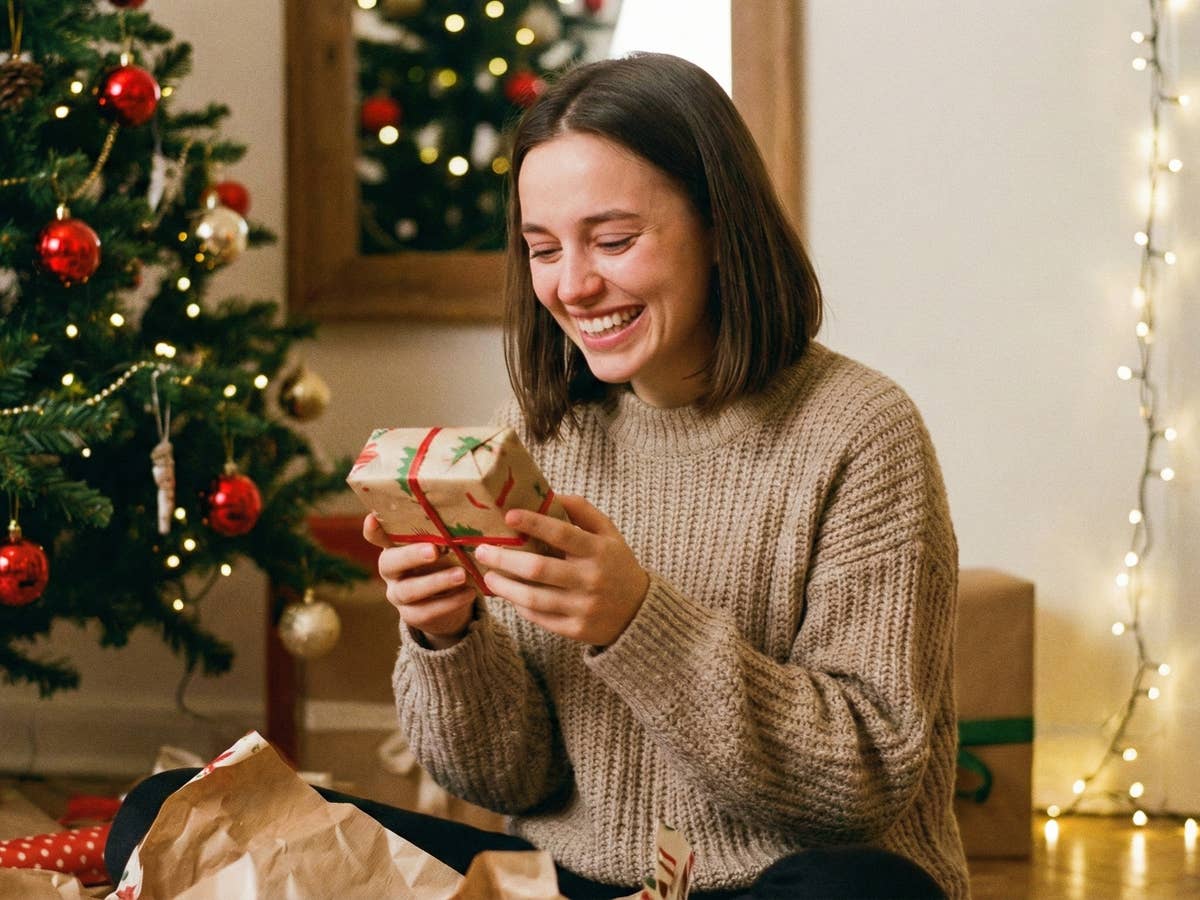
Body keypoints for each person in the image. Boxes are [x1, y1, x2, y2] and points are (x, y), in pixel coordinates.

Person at [107, 52, 967, 899]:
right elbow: (509, 783)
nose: (574, 285)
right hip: (575, 883)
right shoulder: (539, 431)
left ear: (718, 226)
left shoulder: (860, 432)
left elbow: (862, 783)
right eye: (542, 248)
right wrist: (449, 639)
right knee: (167, 814)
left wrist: (636, 621)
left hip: (784, 881)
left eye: (615, 240)